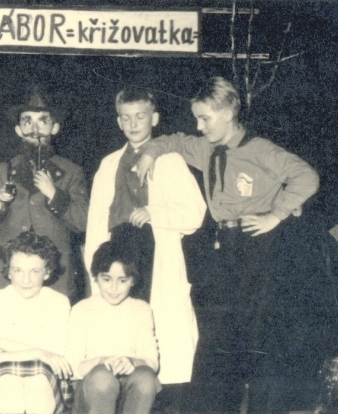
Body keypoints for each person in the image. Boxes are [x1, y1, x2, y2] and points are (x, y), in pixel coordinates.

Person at [135, 77, 320, 410]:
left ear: (228, 112)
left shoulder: (260, 150)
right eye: (197, 118)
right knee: (218, 339)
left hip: (259, 248)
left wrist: (275, 214)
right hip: (224, 248)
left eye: (205, 118)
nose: (199, 126)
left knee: (259, 339)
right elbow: (172, 141)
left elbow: (307, 177)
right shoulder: (205, 148)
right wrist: (149, 154)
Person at [84, 87, 206, 407]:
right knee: (119, 330)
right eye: (126, 118)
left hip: (156, 253)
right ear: (118, 121)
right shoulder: (109, 164)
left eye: (140, 116)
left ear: (154, 118)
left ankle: (157, 400)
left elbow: (195, 213)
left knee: (160, 332)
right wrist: (94, 270)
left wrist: (155, 213)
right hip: (117, 254)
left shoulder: (172, 160)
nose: (133, 123)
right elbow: (96, 222)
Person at [0, 85, 89, 302]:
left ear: (55, 127)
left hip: (54, 277)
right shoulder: (4, 170)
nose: (34, 129)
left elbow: (83, 222)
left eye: (42, 121)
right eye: (27, 121)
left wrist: (54, 194)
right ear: (18, 129)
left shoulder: (71, 172)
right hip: (8, 276)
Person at [0, 231, 72, 414]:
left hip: (44, 375)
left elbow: (55, 355)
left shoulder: (58, 301)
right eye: (18, 270)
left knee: (38, 382)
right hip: (3, 375)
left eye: (35, 271)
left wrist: (1, 343)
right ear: (8, 272)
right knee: (8, 383)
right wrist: (39, 352)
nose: (26, 280)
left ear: (47, 272)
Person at [66, 241, 161, 414]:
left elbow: (152, 361)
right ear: (96, 277)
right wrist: (100, 361)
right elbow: (72, 366)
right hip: (92, 395)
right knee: (103, 378)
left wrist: (132, 362)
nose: (114, 288)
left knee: (145, 379)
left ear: (133, 281)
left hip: (128, 396)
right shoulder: (82, 309)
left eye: (122, 280)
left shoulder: (142, 309)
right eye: (106, 279)